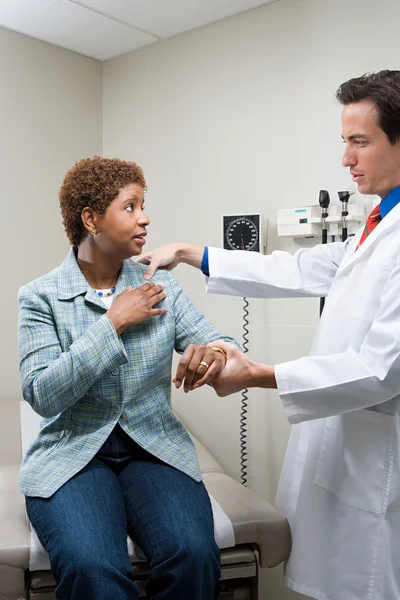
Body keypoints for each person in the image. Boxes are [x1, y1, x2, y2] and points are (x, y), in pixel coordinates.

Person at [138, 69, 400, 600]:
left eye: (359, 142)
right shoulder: (376, 220)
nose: (345, 159)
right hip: (344, 443)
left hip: (375, 458)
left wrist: (255, 372)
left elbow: (381, 369)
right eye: (343, 141)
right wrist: (192, 252)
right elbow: (299, 270)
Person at [18, 156, 240, 600]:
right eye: (131, 206)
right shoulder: (40, 296)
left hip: (152, 446)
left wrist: (211, 353)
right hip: (73, 451)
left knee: (194, 554)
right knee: (92, 568)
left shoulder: (161, 286)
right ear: (91, 219)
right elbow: (42, 393)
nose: (145, 217)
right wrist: (112, 322)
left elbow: (219, 341)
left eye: (144, 205)